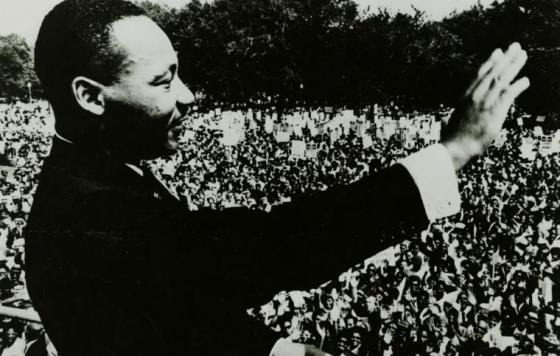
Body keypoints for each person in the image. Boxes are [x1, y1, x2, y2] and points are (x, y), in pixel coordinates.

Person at [24, 0, 529, 355]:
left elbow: (171, 309)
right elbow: (273, 246)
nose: (188, 96)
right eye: (162, 81)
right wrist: (453, 151)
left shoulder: (96, 178)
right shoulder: (91, 210)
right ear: (91, 96)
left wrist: (269, 349)